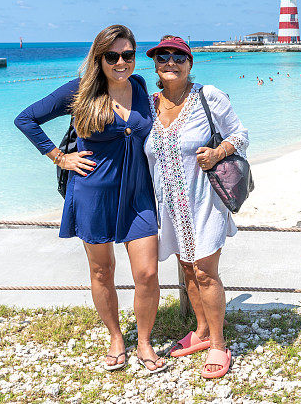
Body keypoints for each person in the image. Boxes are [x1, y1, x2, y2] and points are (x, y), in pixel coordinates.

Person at [14, 25, 166, 373]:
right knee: (102, 271)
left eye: (127, 55)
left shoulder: (140, 86)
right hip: (93, 193)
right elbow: (26, 119)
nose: (121, 62)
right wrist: (60, 157)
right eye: (112, 56)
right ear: (99, 58)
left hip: (138, 194)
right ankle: (116, 337)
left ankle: (143, 342)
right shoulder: (79, 91)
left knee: (147, 273)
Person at [144, 35, 249, 380]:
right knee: (188, 270)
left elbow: (241, 134)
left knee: (205, 271)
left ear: (190, 64)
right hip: (170, 205)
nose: (170, 62)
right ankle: (201, 331)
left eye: (178, 57)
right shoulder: (148, 105)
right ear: (156, 65)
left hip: (205, 200)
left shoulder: (208, 95)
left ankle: (219, 343)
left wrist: (219, 152)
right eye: (163, 57)